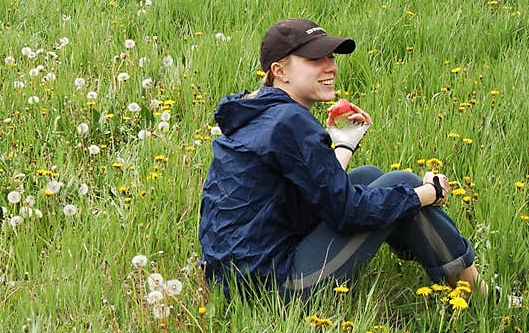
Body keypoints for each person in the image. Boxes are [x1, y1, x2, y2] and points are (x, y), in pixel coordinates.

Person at [198, 17, 487, 303]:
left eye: (330, 56)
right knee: (403, 184)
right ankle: (476, 293)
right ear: (279, 71)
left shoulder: (261, 113)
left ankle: (455, 274)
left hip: (233, 278)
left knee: (368, 176)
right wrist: (428, 193)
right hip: (270, 288)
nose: (331, 67)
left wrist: (344, 144)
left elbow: (321, 190)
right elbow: (346, 212)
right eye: (314, 59)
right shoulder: (290, 122)